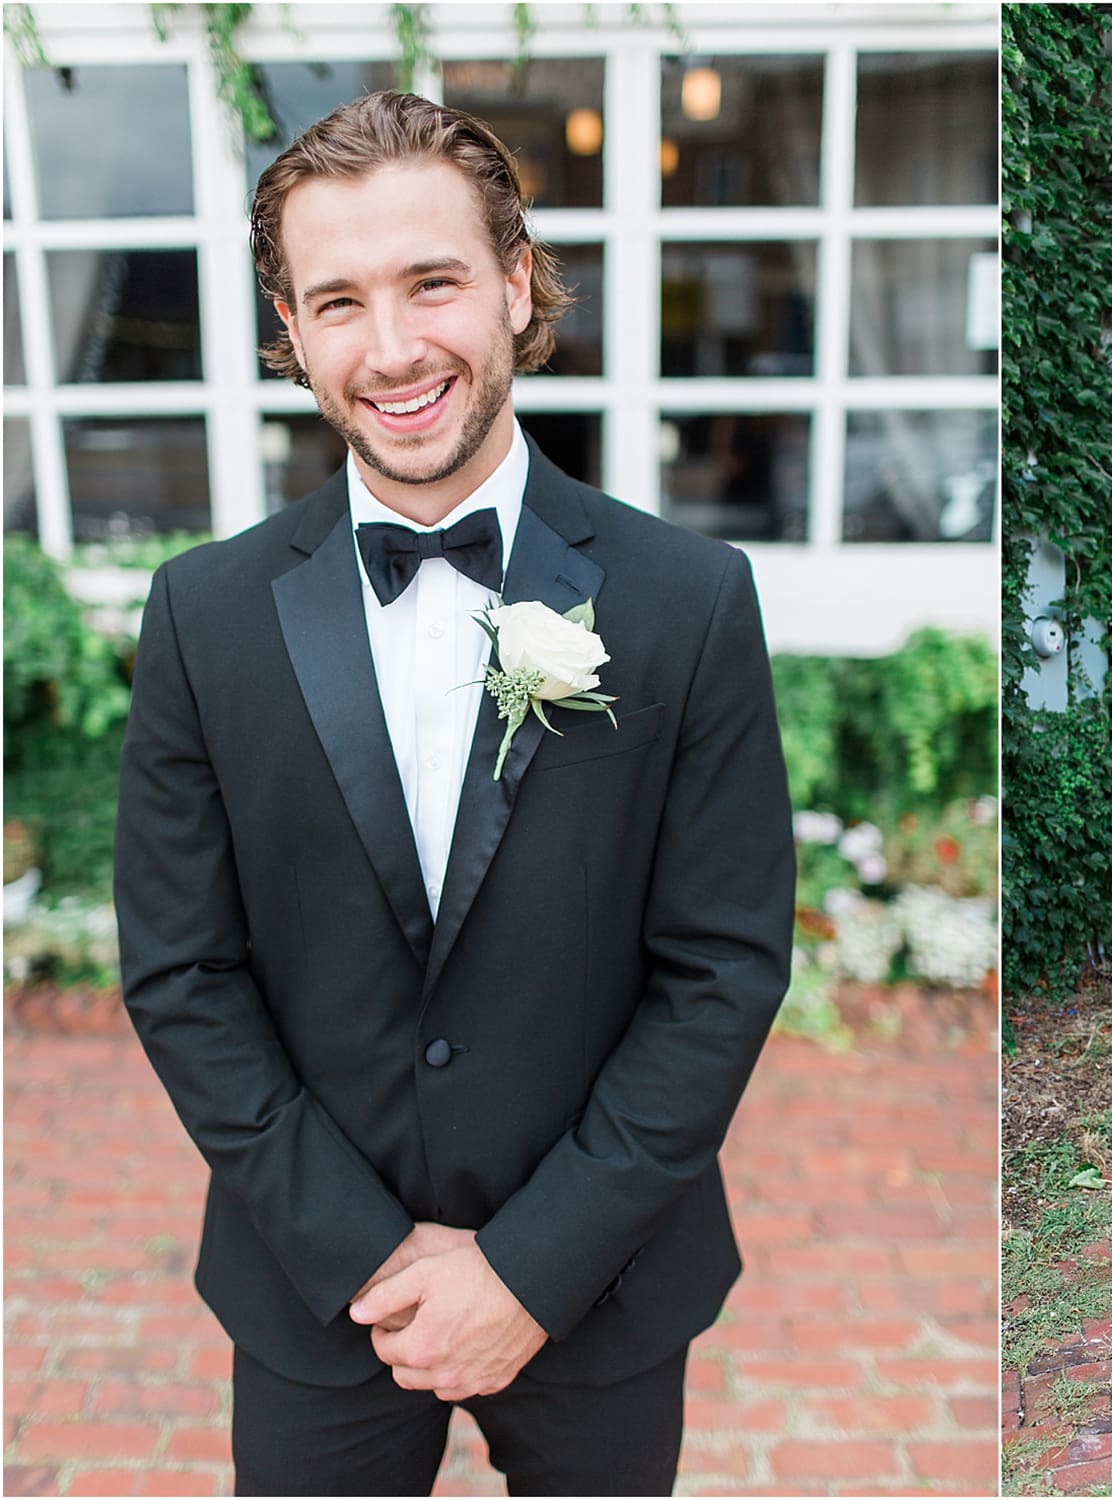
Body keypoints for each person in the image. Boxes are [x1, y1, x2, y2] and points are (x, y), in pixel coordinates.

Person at [113, 91, 794, 1495]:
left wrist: (533, 1269)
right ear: (290, 332)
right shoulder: (202, 616)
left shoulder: (689, 602)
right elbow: (182, 969)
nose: (395, 347)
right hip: (316, 1292)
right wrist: (364, 1253)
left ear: (518, 283)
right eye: (339, 301)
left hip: (599, 1287)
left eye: (433, 282)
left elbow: (722, 968)